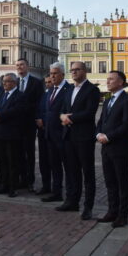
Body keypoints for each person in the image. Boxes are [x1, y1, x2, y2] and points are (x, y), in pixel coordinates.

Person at [95, 71, 128, 228]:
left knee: (122, 183)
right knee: (110, 182)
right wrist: (98, 133)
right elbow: (101, 122)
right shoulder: (107, 101)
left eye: (111, 79)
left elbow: (127, 125)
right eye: (108, 79)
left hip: (120, 149)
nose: (108, 81)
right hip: (106, 149)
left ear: (121, 82)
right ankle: (112, 211)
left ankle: (122, 215)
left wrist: (109, 136)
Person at [58, 61, 100, 220]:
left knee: (87, 172)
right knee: (70, 171)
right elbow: (63, 109)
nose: (74, 72)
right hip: (68, 136)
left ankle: (88, 206)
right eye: (72, 70)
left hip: (84, 137)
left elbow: (90, 112)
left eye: (77, 70)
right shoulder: (68, 89)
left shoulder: (92, 90)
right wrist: (62, 116)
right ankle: (71, 201)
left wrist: (70, 118)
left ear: (85, 71)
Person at [0, 73, 26, 198]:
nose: (4, 83)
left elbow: (16, 111)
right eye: (4, 81)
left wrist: (0, 115)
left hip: (11, 134)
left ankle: (13, 187)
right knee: (1, 161)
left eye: (8, 81)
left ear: (14, 83)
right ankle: (3, 184)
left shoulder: (20, 96)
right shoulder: (1, 94)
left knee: (12, 162)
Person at [40, 63, 71, 203]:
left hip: (63, 135)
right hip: (50, 134)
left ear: (62, 74)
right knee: (54, 165)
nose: (52, 76)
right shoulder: (51, 90)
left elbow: (68, 110)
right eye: (51, 73)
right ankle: (56, 192)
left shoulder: (68, 89)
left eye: (55, 73)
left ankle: (71, 195)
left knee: (69, 167)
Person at [16, 58, 45, 192]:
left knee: (29, 152)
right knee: (18, 152)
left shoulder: (36, 83)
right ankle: (20, 178)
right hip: (15, 124)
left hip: (29, 123)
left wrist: (37, 116)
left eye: (22, 65)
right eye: (17, 65)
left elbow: (40, 102)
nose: (19, 67)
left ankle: (30, 180)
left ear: (27, 66)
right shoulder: (13, 82)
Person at [35, 75, 52, 195]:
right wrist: (38, 118)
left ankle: (56, 187)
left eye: (49, 81)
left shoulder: (59, 94)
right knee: (43, 161)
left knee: (54, 161)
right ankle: (45, 185)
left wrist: (44, 120)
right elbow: (39, 109)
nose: (48, 84)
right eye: (46, 82)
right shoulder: (44, 95)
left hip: (52, 133)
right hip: (42, 132)